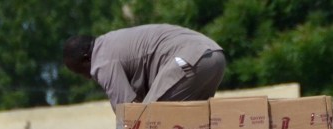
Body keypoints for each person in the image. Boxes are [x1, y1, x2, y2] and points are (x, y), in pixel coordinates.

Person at [63, 25, 225, 108]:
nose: (87, 77)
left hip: (191, 59)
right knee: (195, 124)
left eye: (81, 71)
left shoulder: (102, 61)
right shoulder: (109, 42)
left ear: (86, 59)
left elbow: (127, 113)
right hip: (215, 56)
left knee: (149, 121)